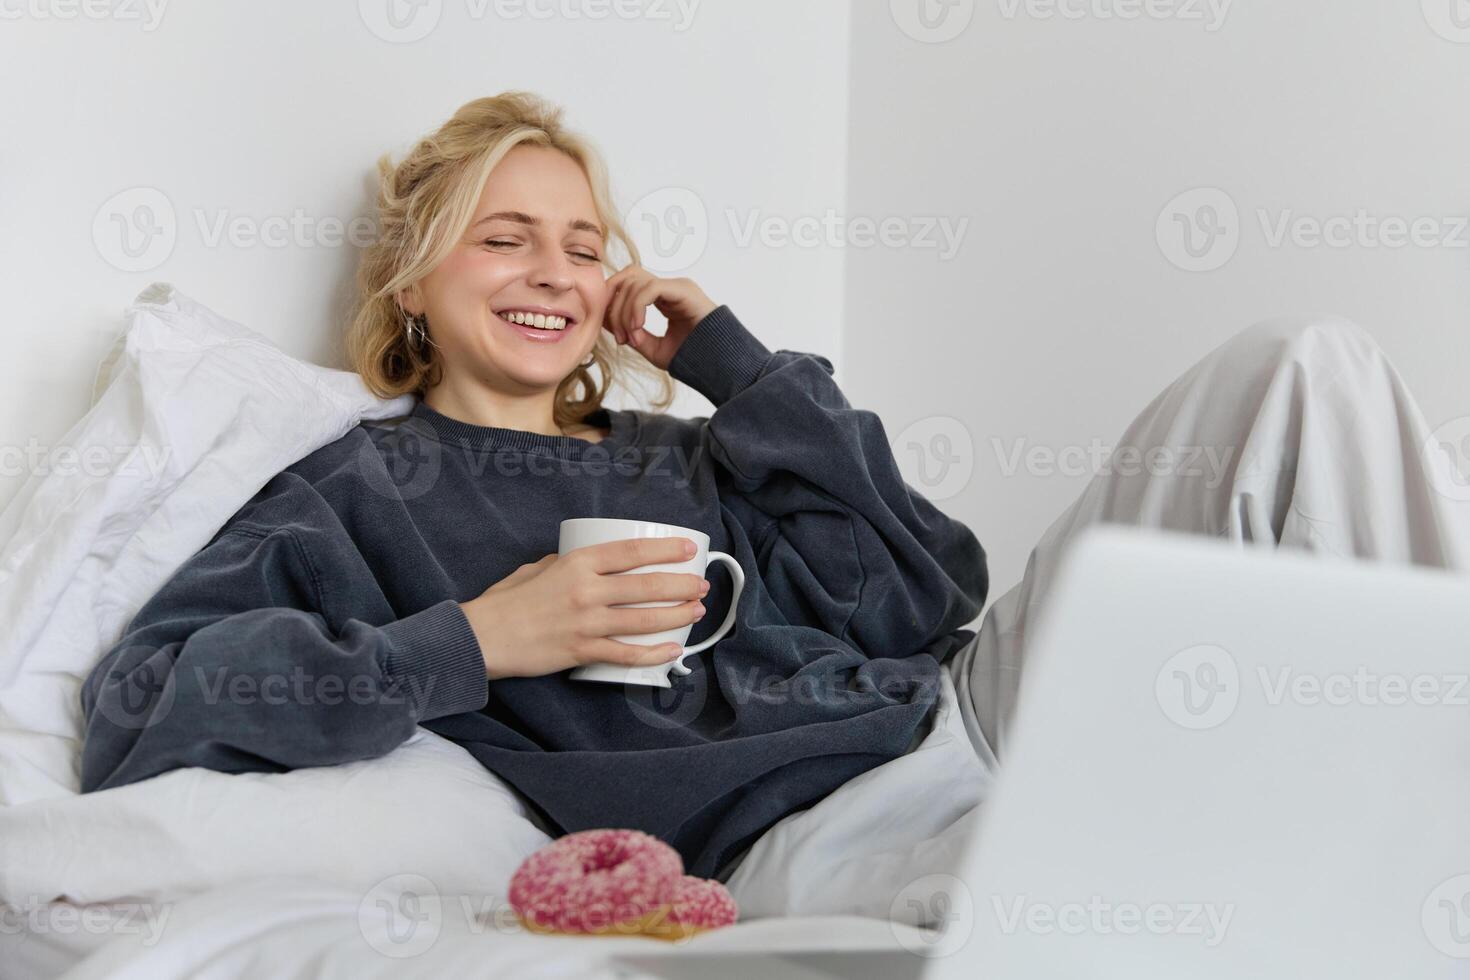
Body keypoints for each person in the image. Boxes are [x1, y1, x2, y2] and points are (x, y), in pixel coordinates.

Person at [77, 91, 989, 883]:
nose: (554, 272)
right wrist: (473, 641)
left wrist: (740, 370)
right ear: (411, 283)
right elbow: (141, 707)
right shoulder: (353, 493)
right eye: (505, 239)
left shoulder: (695, 452)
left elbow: (923, 594)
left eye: (583, 250)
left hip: (924, 737)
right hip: (791, 837)